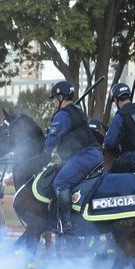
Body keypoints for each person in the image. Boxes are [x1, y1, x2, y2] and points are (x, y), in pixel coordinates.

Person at [46, 80, 104, 235]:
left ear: (60, 97)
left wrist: (44, 145)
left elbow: (52, 141)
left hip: (83, 156)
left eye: (54, 99)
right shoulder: (76, 110)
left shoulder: (63, 115)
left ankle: (67, 222)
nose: (53, 103)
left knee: (60, 182)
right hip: (92, 154)